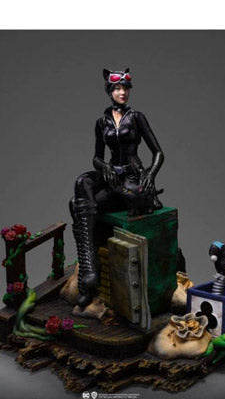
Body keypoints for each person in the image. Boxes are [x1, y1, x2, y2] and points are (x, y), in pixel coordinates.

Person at [69, 68, 165, 308]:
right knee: (82, 183)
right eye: (117, 88)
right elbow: (96, 157)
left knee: (77, 206)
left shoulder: (137, 117)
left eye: (125, 88)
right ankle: (90, 271)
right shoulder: (102, 122)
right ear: (109, 91)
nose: (122, 92)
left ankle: (87, 279)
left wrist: (151, 174)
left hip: (133, 180)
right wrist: (105, 167)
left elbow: (158, 152)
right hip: (112, 179)